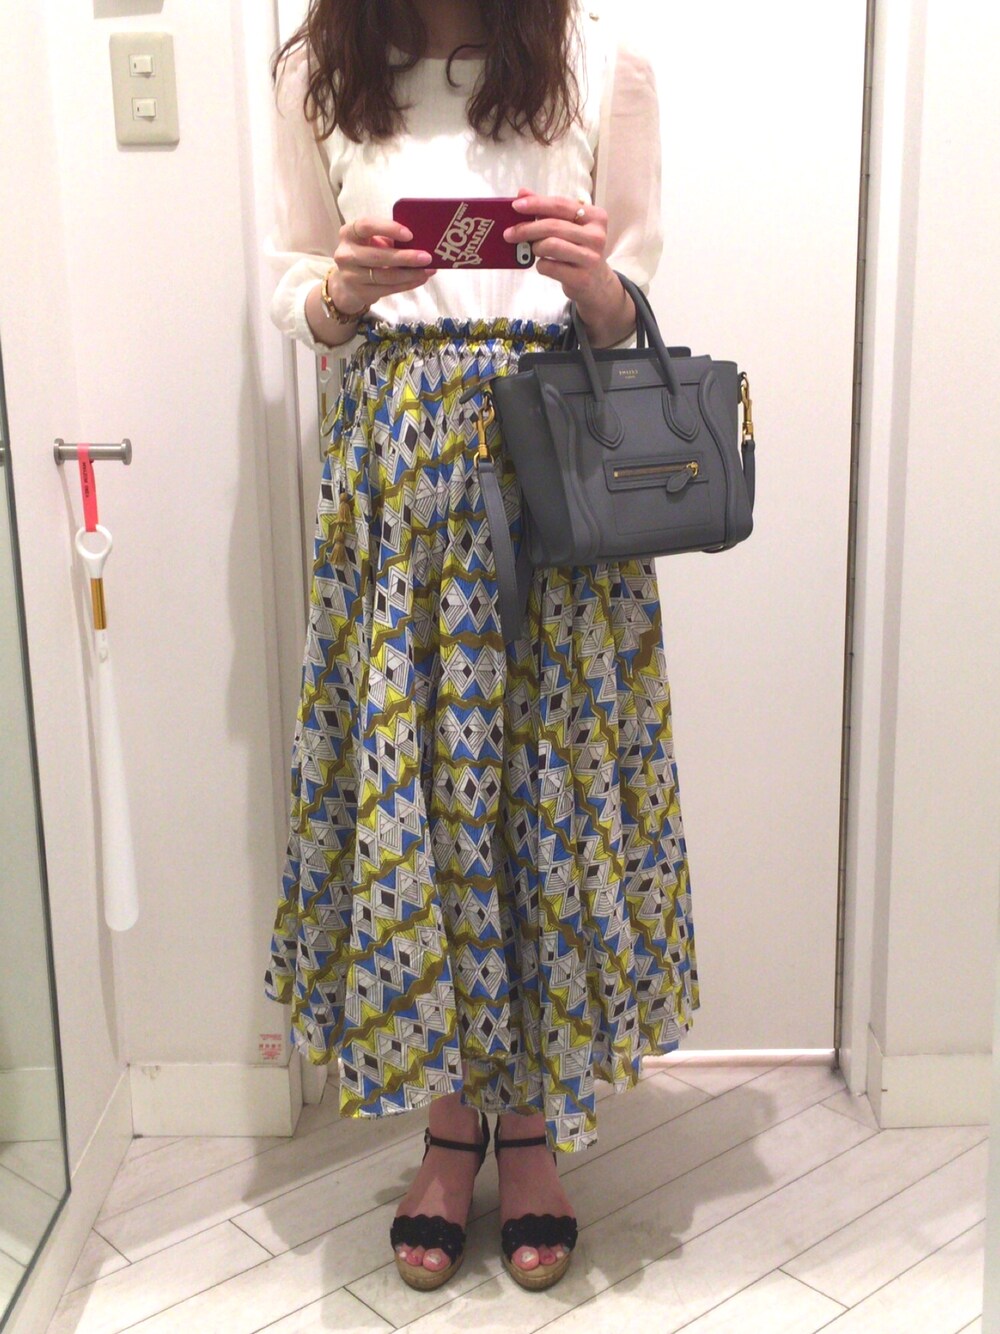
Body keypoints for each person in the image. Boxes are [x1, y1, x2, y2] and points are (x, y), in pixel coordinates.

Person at [261, 0, 699, 1294]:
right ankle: (452, 1126)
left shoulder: (601, 59)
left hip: (553, 468)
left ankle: (533, 1127)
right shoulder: (320, 72)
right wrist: (341, 293)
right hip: (394, 493)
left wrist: (593, 280)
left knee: (539, 796)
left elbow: (634, 301)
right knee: (431, 798)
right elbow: (293, 285)